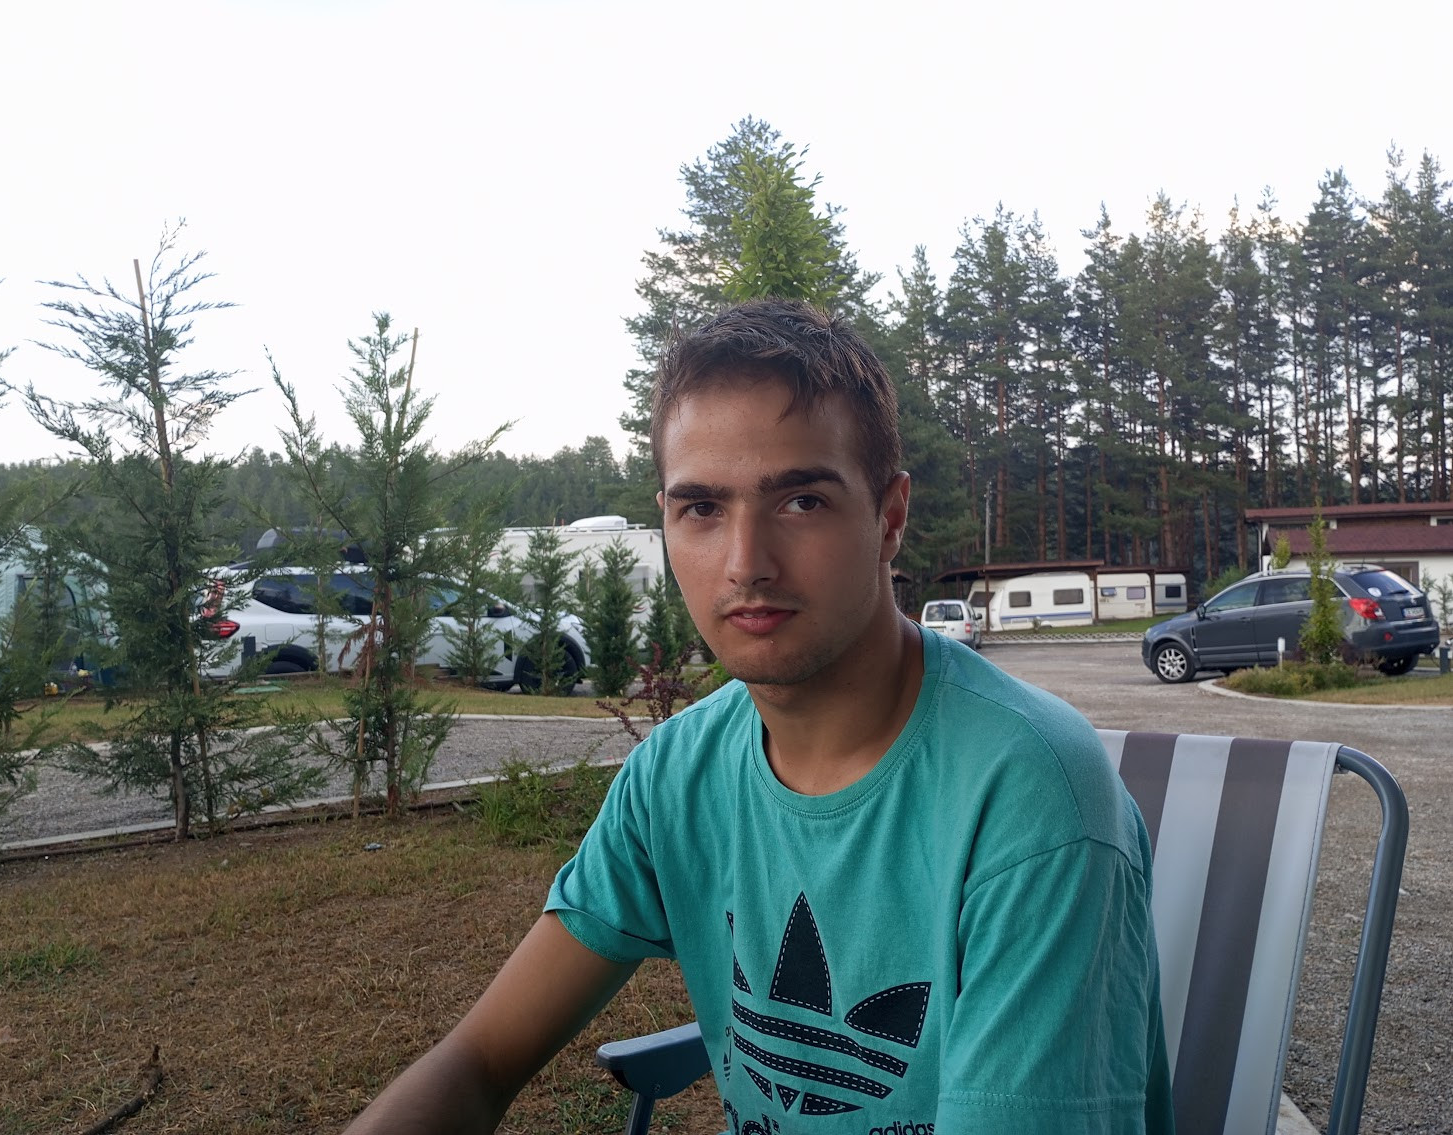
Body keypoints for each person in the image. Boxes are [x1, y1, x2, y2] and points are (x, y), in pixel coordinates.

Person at [344, 300, 1174, 1134]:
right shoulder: (676, 774)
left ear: (889, 517)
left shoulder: (1031, 794)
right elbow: (480, 1057)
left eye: (801, 501)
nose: (745, 563)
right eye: (701, 509)